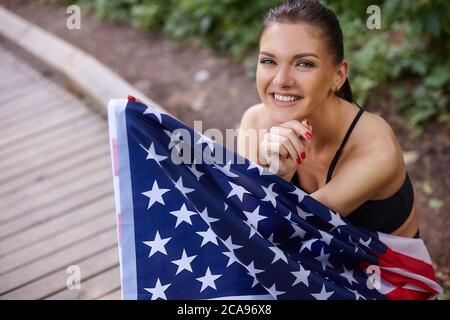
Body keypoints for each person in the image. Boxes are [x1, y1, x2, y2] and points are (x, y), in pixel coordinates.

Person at [237, 0, 420, 238]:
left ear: (338, 75)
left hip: (384, 271)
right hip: (306, 262)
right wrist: (274, 173)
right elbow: (243, 222)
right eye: (269, 61)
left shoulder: (375, 147)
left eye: (304, 64)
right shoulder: (254, 122)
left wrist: (276, 181)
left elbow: (286, 233)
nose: (282, 80)